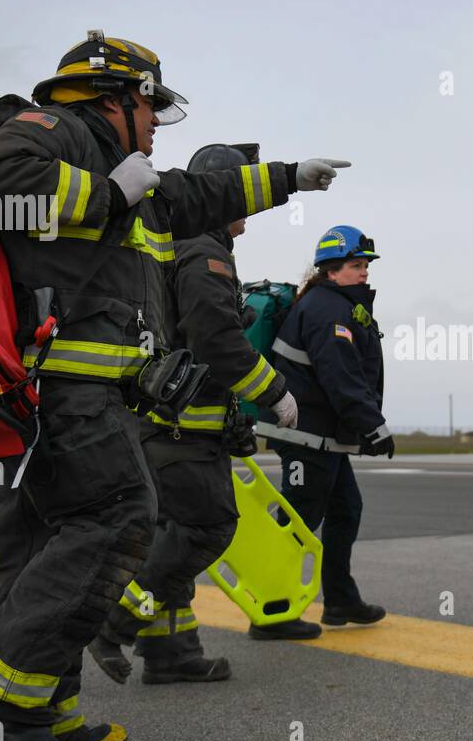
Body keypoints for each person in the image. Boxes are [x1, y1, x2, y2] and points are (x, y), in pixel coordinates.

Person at [0, 30, 349, 741]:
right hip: (64, 385)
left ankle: (42, 708)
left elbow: (200, 194)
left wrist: (292, 176)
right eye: (150, 106)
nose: (157, 122)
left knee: (40, 545)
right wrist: (108, 195)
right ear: (116, 97)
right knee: (119, 514)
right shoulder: (55, 131)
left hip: (76, 391)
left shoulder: (121, 165)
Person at [88, 143, 322, 690]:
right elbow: (214, 335)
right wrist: (274, 392)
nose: (243, 204)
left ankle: (171, 651)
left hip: (172, 425)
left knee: (173, 533)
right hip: (182, 431)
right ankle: (117, 620)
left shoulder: (186, 244)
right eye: (237, 191)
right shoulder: (202, 250)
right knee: (206, 530)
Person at [259, 226, 392, 626]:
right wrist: (374, 426)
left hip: (324, 437)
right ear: (331, 271)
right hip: (304, 435)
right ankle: (272, 608)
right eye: (356, 265)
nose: (365, 272)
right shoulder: (327, 309)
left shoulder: (337, 305)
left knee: (345, 510)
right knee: (297, 522)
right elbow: (340, 375)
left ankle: (339, 600)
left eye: (366, 265)